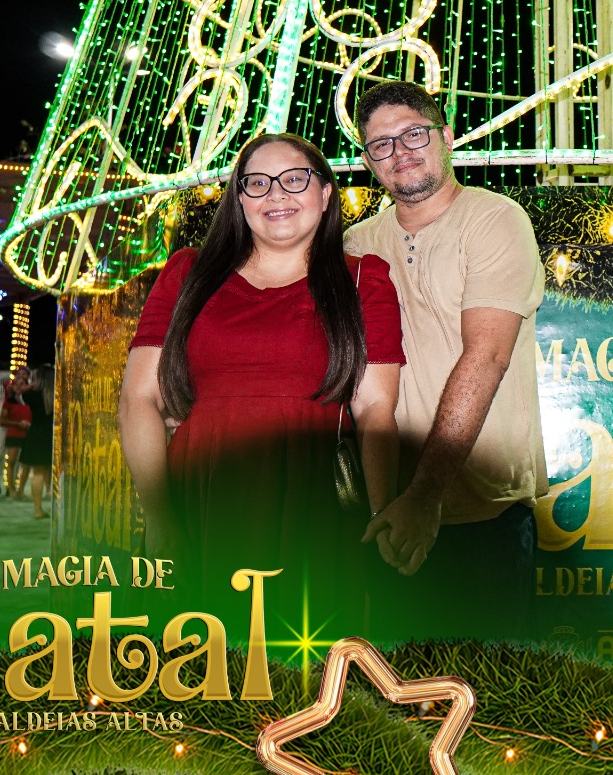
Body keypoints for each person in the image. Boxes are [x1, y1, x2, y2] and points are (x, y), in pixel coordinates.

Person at [118, 133, 403, 633]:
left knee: (306, 659)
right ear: (240, 198)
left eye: (295, 180)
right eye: (257, 183)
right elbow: (138, 399)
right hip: (199, 499)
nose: (276, 195)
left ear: (326, 194)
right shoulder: (187, 273)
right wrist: (159, 518)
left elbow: (376, 410)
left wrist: (382, 515)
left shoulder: (364, 280)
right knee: (200, 656)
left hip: (316, 504)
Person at [346, 81, 547, 640]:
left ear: (446, 137)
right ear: (369, 161)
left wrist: (424, 497)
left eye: (414, 134)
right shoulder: (354, 245)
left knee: (487, 687)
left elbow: (487, 356)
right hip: (386, 517)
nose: (400, 152)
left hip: (485, 515)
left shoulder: (494, 219)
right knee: (392, 685)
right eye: (381, 144)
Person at [19, 366, 57, 520]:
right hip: (52, 434)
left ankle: (38, 509)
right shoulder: (57, 395)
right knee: (57, 472)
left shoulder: (31, 395)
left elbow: (20, 390)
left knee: (38, 473)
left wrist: (32, 385)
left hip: (35, 434)